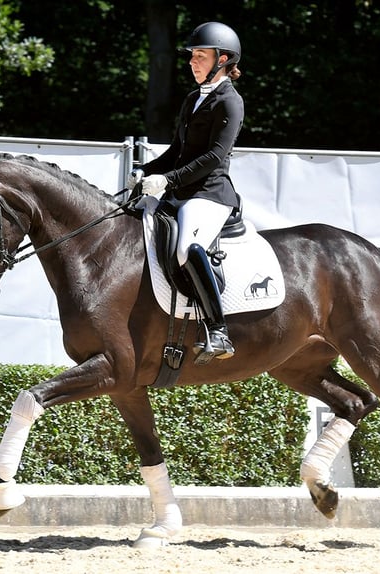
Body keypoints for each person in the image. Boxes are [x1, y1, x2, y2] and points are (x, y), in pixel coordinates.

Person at [128, 21, 244, 363]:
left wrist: (168, 181)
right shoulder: (194, 98)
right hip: (180, 190)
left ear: (222, 60)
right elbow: (177, 150)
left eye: (201, 56)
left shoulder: (230, 102)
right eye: (192, 56)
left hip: (210, 194)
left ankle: (218, 329)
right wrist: (146, 171)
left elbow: (213, 158)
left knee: (185, 249)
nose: (193, 62)